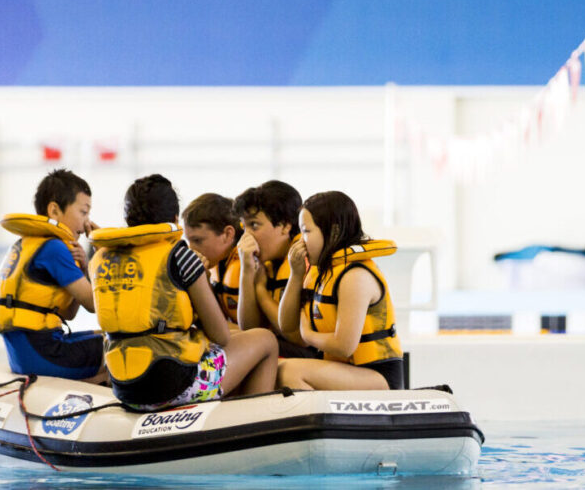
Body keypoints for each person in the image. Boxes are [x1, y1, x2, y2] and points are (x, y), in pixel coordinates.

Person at [89, 174, 279, 410]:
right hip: (173, 385)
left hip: (124, 387)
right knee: (266, 340)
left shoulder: (100, 257)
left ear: (128, 218)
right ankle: (254, 428)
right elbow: (221, 336)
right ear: (174, 218)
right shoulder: (181, 256)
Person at [277, 191, 405, 390]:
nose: (301, 241)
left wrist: (307, 334)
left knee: (288, 371)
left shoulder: (355, 276)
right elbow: (286, 326)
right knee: (275, 367)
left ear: (334, 232)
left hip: (378, 376)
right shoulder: (322, 271)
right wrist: (296, 275)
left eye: (307, 231)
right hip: (346, 369)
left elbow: (344, 346)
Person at [0, 169, 105, 383]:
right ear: (54, 210)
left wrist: (82, 267)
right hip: (44, 354)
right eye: (83, 212)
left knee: (102, 338)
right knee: (121, 345)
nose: (88, 222)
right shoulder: (54, 249)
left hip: (25, 356)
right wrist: (102, 252)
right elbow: (95, 304)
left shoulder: (27, 243)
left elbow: (68, 314)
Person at [233, 180, 318, 358]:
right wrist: (247, 272)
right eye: (244, 226)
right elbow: (249, 329)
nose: (246, 236)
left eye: (254, 225)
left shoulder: (307, 261)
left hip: (312, 355)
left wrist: (261, 292)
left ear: (285, 226)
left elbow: (296, 336)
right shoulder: (269, 264)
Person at [181, 193, 242, 328]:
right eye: (188, 241)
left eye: (197, 240)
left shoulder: (249, 266)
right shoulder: (216, 265)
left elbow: (253, 332)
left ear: (227, 234)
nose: (191, 249)